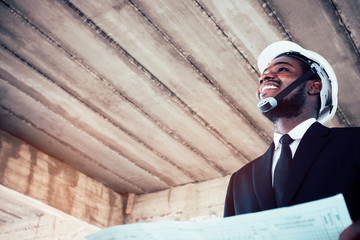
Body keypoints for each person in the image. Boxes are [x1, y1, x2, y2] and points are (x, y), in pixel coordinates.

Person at [224, 41, 360, 239]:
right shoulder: (240, 180)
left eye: (283, 69)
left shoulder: (354, 143)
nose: (266, 77)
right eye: (263, 75)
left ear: (314, 86)